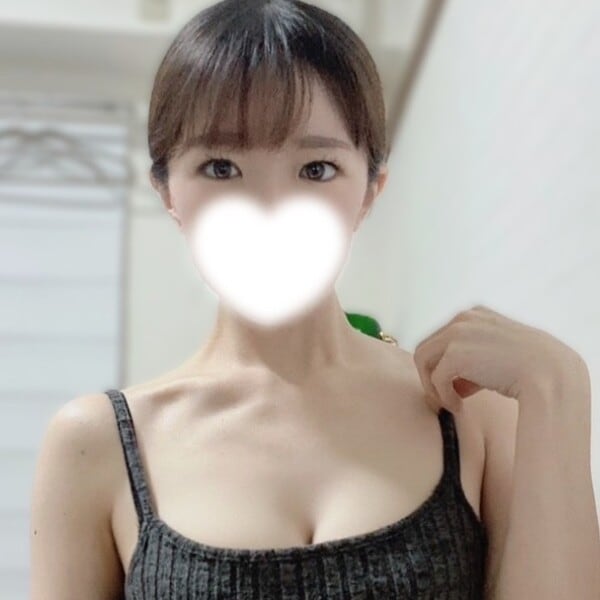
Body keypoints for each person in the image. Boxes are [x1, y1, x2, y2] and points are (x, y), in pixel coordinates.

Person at [29, 1, 488, 598]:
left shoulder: (467, 412)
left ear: (370, 192)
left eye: (316, 169)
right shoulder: (94, 444)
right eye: (221, 168)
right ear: (168, 192)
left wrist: (559, 388)